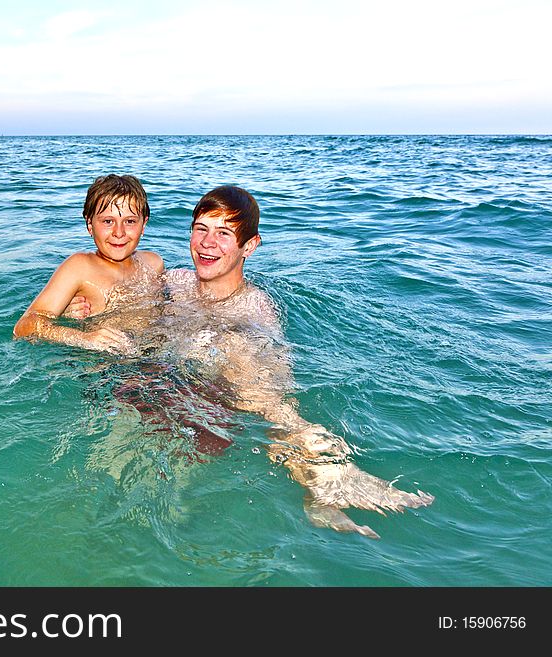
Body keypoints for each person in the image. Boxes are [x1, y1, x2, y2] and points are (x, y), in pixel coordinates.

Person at [64, 185, 434, 538]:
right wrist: (82, 311)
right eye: (200, 229)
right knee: (114, 494)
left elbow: (269, 386)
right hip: (150, 383)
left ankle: (330, 474)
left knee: (264, 392)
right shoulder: (170, 281)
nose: (208, 243)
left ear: (249, 246)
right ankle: (322, 486)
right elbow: (122, 305)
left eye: (224, 233)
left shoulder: (255, 309)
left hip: (210, 401)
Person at [13, 174, 164, 353]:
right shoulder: (80, 267)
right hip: (107, 366)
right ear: (89, 224)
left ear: (143, 224)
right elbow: (23, 327)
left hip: (156, 354)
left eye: (129, 221)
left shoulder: (153, 263)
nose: (119, 232)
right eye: (108, 221)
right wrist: (81, 336)